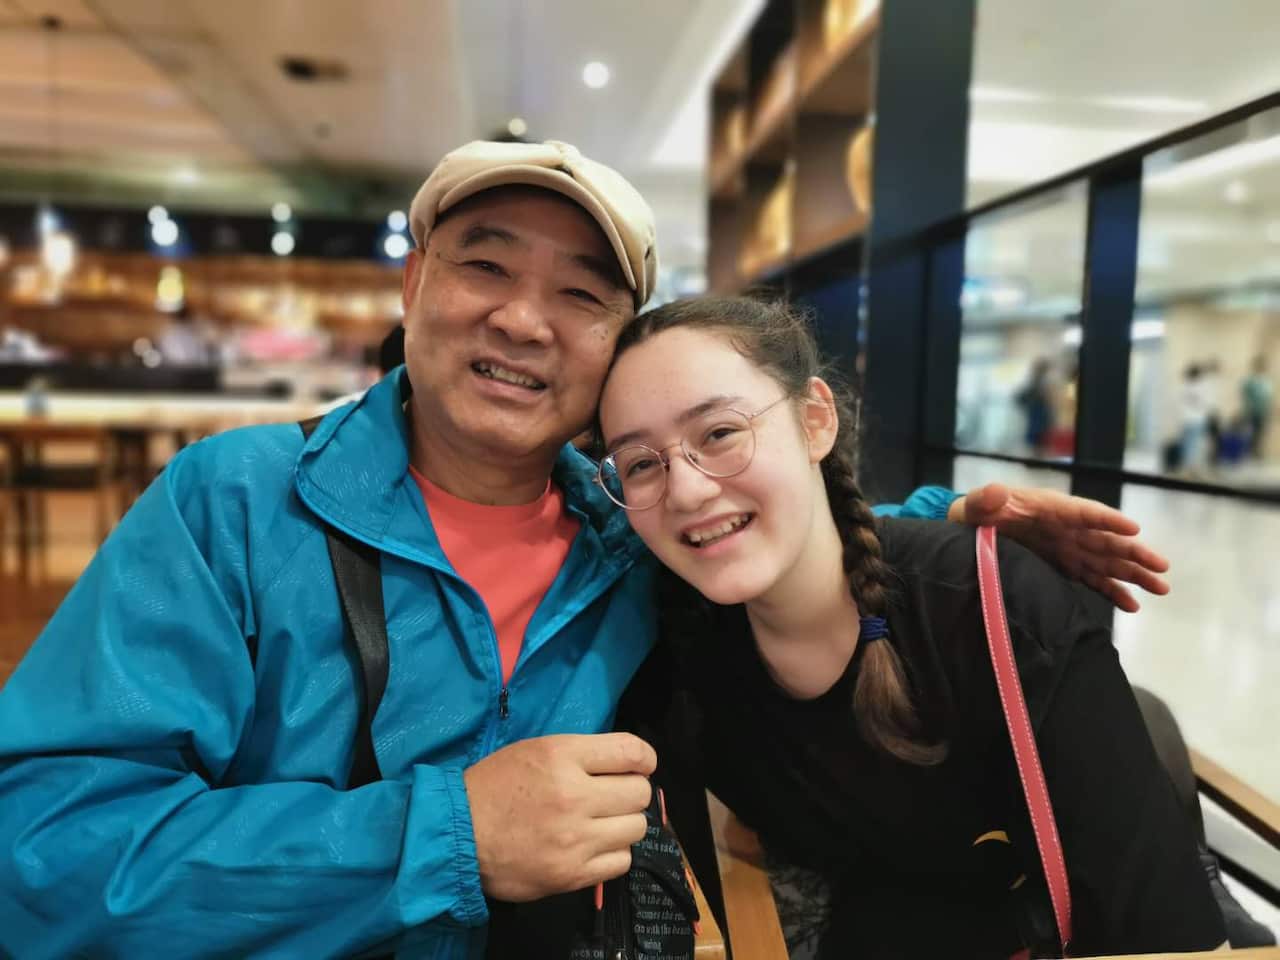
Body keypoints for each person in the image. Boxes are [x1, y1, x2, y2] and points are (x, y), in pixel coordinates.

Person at [0, 141, 1170, 958]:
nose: (522, 319)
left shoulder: (631, 539)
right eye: (485, 264)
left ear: (616, 345)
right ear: (414, 284)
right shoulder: (236, 506)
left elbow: (768, 527)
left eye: (581, 293)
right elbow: (37, 850)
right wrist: (448, 836)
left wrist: (954, 525)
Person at [600, 296, 1227, 958]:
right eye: (640, 463)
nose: (686, 491)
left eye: (720, 433)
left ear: (815, 421)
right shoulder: (684, 647)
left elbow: (1173, 938)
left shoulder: (988, 608)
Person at [1242, 354, 1274, 459]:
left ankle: (1257, 453)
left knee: (1261, 433)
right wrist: (1249, 408)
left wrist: (1270, 409)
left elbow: (1269, 397)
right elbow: (1246, 396)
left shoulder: (1267, 380)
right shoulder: (1250, 380)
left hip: (1263, 411)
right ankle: (1249, 452)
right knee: (1251, 433)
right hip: (1252, 411)